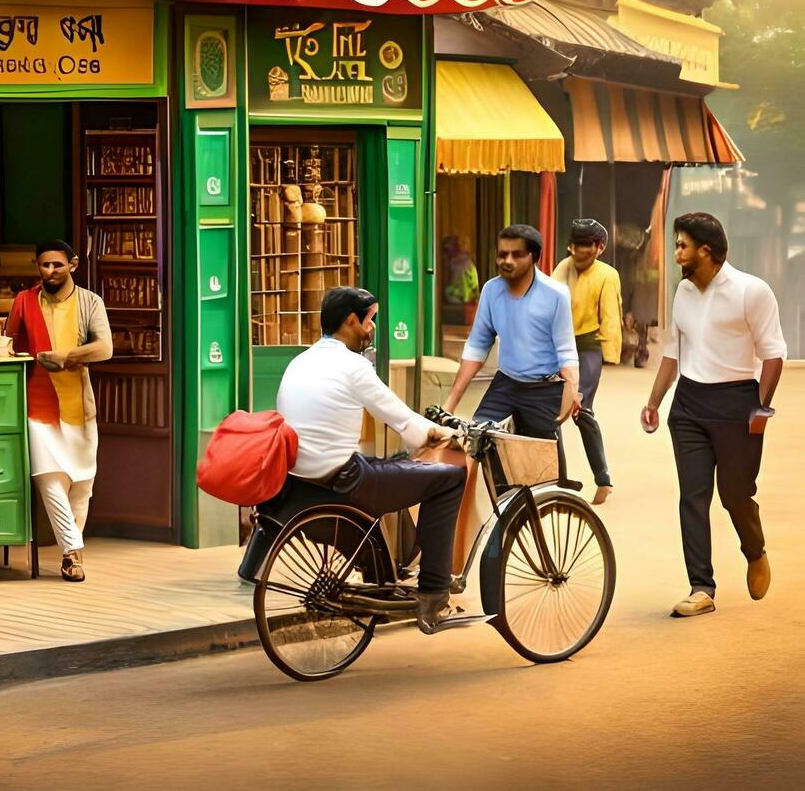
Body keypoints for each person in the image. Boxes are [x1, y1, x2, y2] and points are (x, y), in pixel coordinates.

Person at [239, 287, 464, 632]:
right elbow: (404, 421)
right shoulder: (353, 366)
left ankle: (386, 573)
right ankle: (434, 593)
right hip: (344, 482)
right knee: (447, 478)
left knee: (397, 465)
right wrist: (446, 434)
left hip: (300, 481)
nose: (372, 329)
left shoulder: (301, 360)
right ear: (350, 321)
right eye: (370, 320)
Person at [641, 213, 786, 618]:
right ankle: (701, 586)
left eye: (682, 245)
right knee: (693, 496)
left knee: (735, 495)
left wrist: (760, 406)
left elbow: (773, 354)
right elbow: (674, 349)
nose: (676, 253)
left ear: (706, 250)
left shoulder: (751, 291)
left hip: (736, 402)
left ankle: (754, 551)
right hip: (688, 404)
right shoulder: (684, 292)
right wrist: (654, 401)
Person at [5, 240, 112, 582]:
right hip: (37, 403)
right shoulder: (25, 301)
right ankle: (72, 552)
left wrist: (66, 357)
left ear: (74, 265)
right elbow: (7, 345)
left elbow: (104, 348)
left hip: (80, 405)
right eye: (44, 265)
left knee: (81, 485)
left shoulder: (89, 302)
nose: (50, 271)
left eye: (57, 265)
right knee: (49, 479)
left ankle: (72, 547)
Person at [442, 224, 581, 467]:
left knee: (541, 468)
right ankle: (501, 503)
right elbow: (477, 346)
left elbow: (566, 349)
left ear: (533, 257)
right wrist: (450, 404)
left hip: (543, 389)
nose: (507, 260)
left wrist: (571, 388)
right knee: (477, 443)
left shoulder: (556, 294)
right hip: (506, 384)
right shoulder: (491, 290)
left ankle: (551, 499)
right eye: (502, 254)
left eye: (516, 254)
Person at [551, 219, 623, 504]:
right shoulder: (561, 268)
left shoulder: (607, 275)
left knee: (581, 410)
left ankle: (603, 479)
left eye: (587, 247)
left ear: (599, 248)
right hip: (559, 346)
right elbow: (549, 306)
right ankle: (558, 477)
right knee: (552, 414)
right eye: (576, 246)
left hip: (588, 347)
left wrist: (611, 353)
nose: (580, 252)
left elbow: (610, 316)